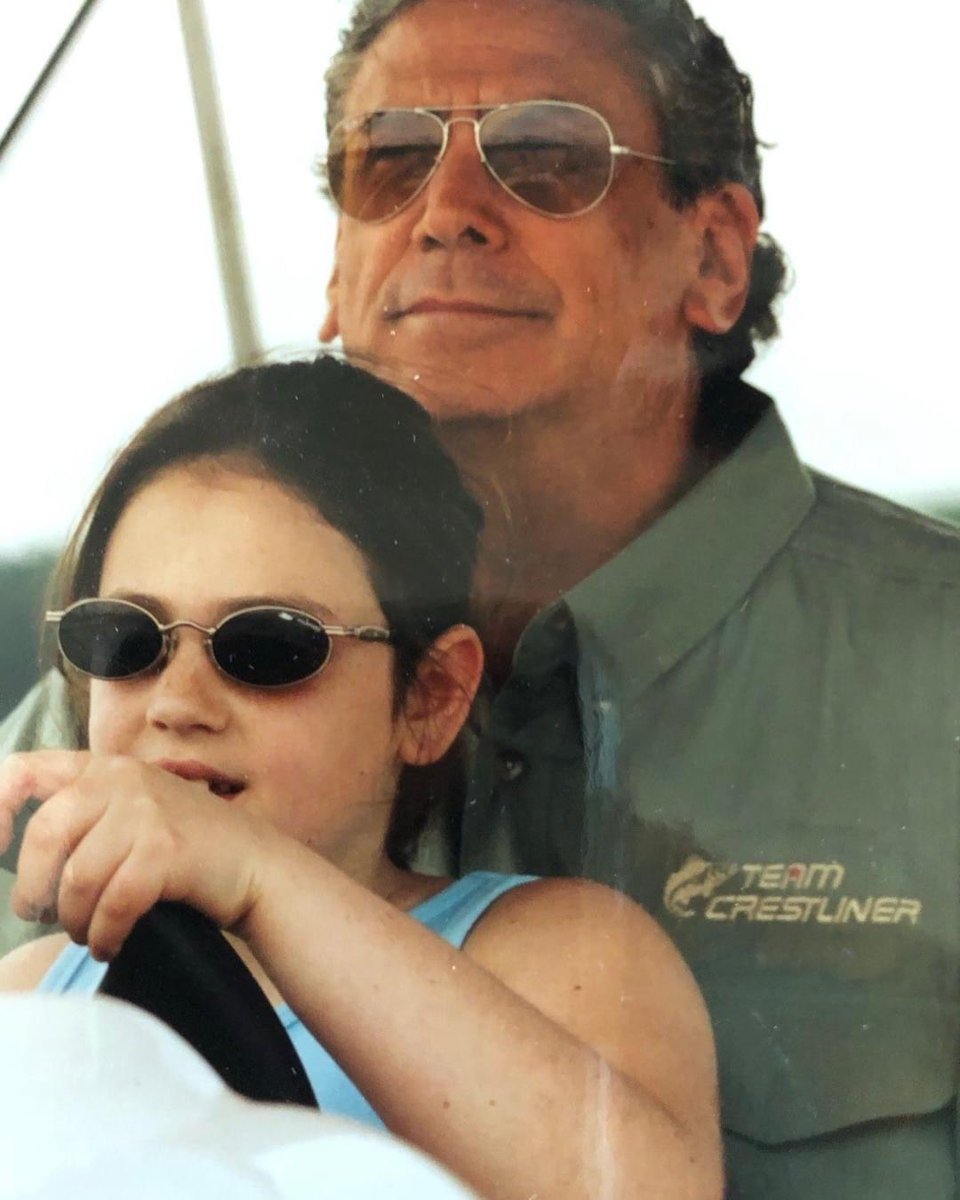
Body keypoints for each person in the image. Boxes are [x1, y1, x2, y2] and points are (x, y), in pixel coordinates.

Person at [2, 0, 959, 1194]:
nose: (446, 212)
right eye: (390, 162)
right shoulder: (91, 726)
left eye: (548, 158)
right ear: (335, 272)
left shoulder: (939, 669)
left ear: (713, 258)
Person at [0, 356, 722, 1199]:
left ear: (429, 698)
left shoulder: (561, 953)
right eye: (126, 639)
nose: (178, 701)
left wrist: (255, 876)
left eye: (267, 646)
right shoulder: (33, 993)